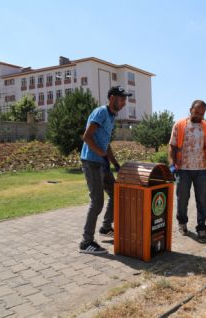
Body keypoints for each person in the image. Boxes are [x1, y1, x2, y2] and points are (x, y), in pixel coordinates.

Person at [79, 86, 132, 254]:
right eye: (122, 99)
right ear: (112, 98)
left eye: (125, 99)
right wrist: (102, 154)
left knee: (116, 193)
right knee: (97, 202)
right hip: (91, 162)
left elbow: (105, 143)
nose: (124, 102)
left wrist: (115, 163)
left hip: (102, 162)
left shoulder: (111, 116)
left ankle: (105, 227)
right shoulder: (101, 112)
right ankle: (86, 242)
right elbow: (87, 136)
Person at [169, 100, 206, 243]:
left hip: (201, 170)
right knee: (182, 199)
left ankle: (201, 228)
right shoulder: (179, 125)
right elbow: (172, 146)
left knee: (202, 201)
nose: (199, 116)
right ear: (190, 109)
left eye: (202, 114)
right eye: (197, 113)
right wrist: (172, 165)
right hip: (182, 170)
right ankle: (182, 222)